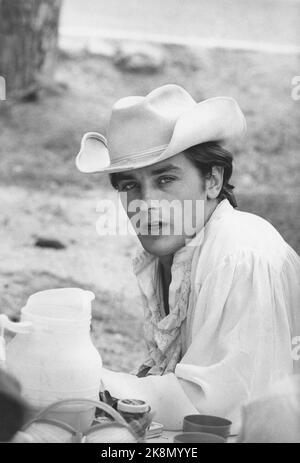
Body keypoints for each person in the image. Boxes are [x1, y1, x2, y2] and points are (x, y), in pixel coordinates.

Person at [76, 84, 300, 431]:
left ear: (212, 180)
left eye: (165, 179)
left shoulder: (240, 256)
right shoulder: (175, 252)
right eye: (129, 185)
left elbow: (221, 409)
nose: (146, 203)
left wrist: (90, 381)